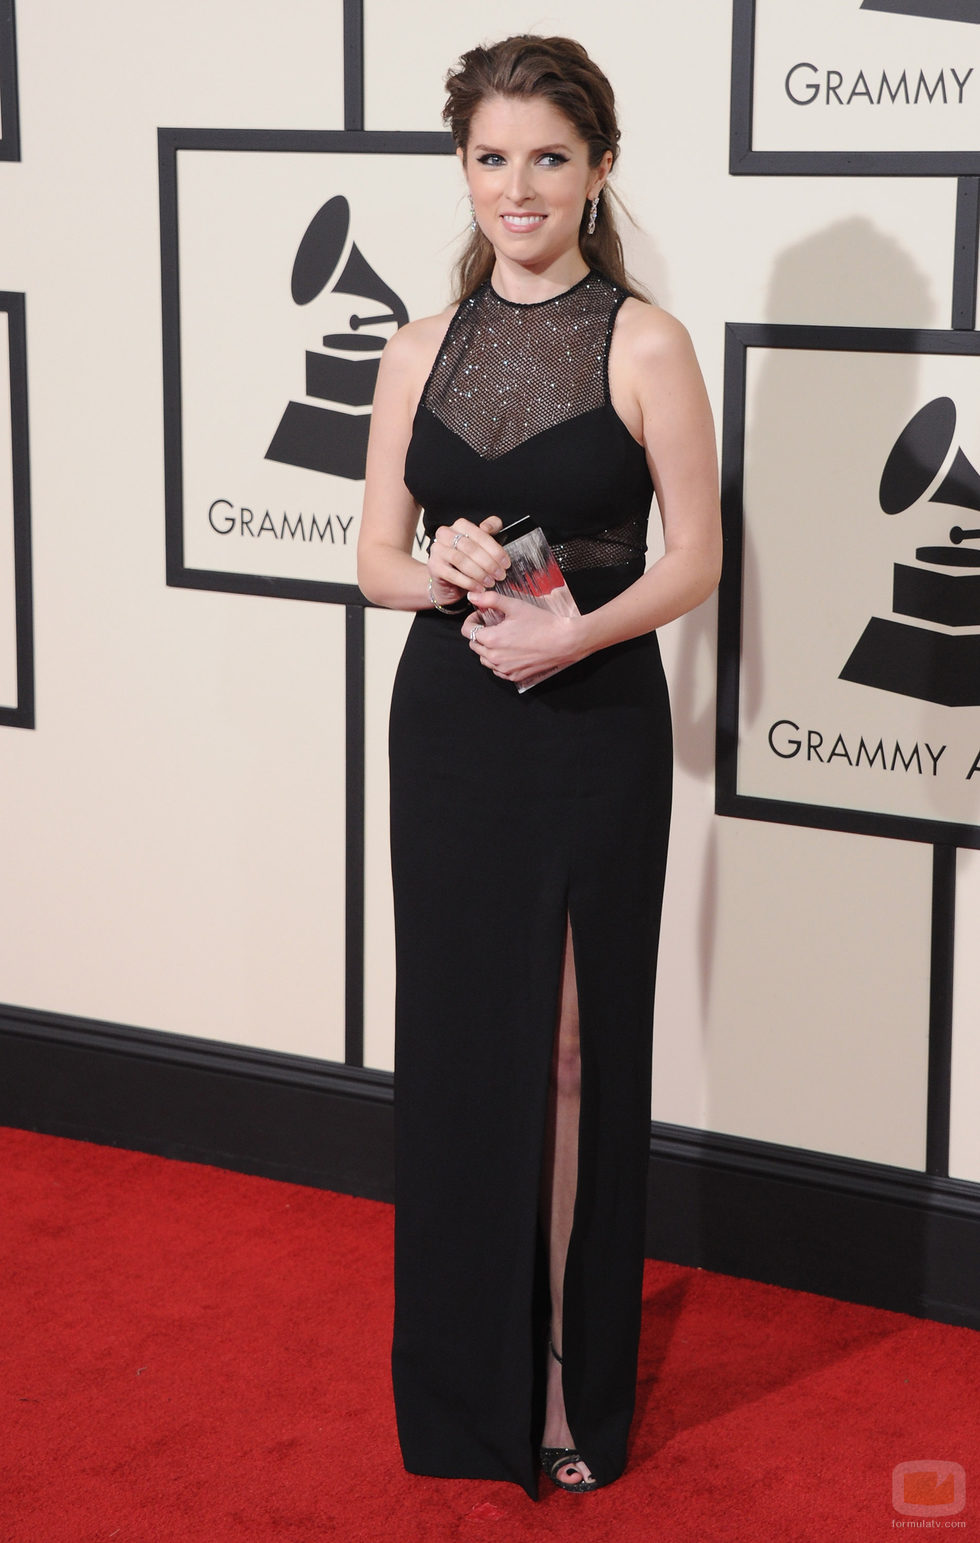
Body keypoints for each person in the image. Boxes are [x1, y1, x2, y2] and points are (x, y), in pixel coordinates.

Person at [357, 34, 722, 1498]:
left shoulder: (646, 343)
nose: (520, 187)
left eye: (549, 158)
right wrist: (438, 566)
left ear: (600, 169)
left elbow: (696, 557)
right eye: (494, 158)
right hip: (450, 729)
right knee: (460, 1056)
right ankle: (463, 1391)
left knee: (574, 1059)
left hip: (592, 729)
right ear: (465, 169)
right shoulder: (414, 346)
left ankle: (569, 1378)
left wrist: (579, 641)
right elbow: (375, 559)